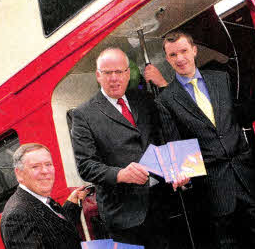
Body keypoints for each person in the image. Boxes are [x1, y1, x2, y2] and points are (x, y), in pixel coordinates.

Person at [154, 31, 255, 249]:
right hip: (211, 189)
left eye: (183, 51)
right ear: (168, 59)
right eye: (173, 55)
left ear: (194, 50)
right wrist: (181, 174)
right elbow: (175, 143)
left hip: (246, 176)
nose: (180, 59)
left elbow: (242, 115)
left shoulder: (221, 78)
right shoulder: (165, 100)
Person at [70, 48, 188, 249]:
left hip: (163, 202)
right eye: (108, 73)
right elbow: (86, 165)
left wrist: (179, 169)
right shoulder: (83, 115)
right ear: (98, 76)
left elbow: (163, 136)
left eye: (119, 72)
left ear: (127, 74)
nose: (114, 78)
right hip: (125, 217)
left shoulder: (143, 100)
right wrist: (120, 174)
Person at [0, 143, 88, 249]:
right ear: (19, 174)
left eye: (48, 164)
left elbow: (55, 232)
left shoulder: (39, 198)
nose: (45, 171)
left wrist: (71, 205)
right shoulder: (17, 216)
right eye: (35, 167)